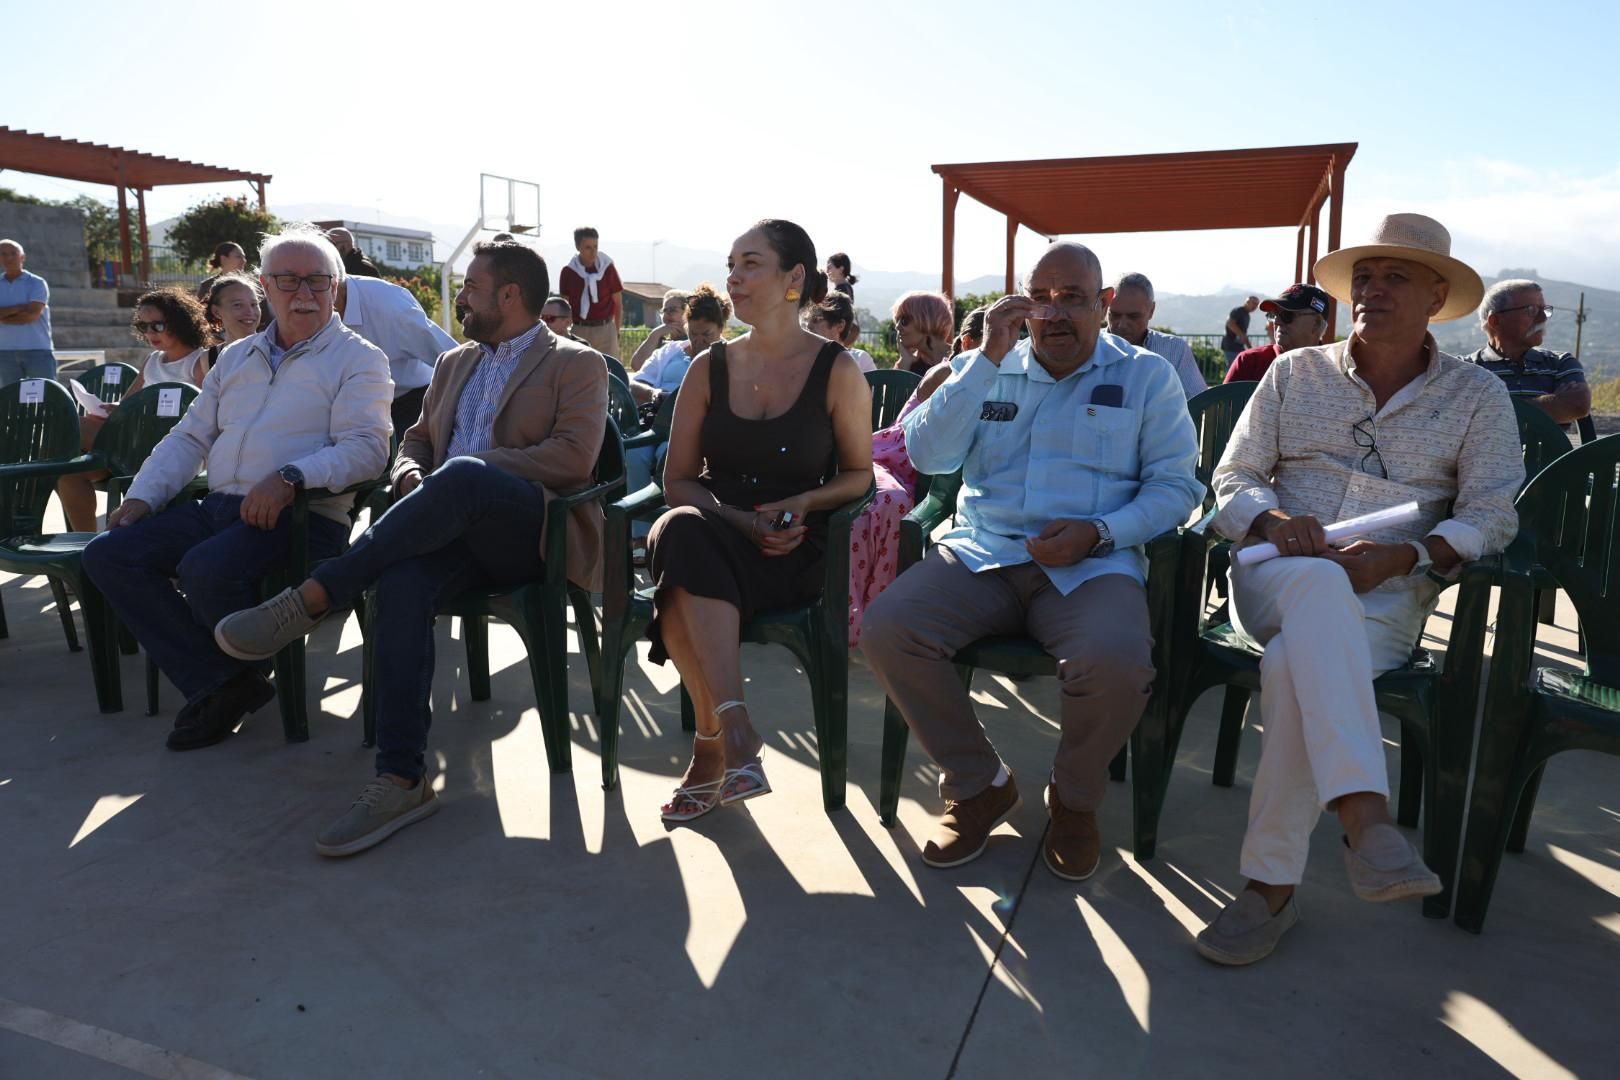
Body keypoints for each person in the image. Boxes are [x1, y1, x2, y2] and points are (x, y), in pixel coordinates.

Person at [1194, 213, 1522, 966]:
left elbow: (1492, 513)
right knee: (1311, 586)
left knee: (1288, 667)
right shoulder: (1292, 372)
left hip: (1387, 597)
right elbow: (1232, 477)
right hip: (1275, 577)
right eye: (1363, 278)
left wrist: (1405, 559)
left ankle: (1269, 889)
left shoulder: (1476, 397)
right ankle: (1365, 817)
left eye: (1394, 277)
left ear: (1438, 297)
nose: (1371, 291)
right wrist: (1275, 519)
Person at [212, 241, 606, 855]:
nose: (461, 299)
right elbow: (417, 441)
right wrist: (410, 474)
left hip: (529, 534)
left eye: (471, 288)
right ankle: (401, 778)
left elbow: (573, 458)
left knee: (468, 476)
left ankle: (319, 592)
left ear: (509, 295)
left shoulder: (576, 363)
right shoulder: (455, 363)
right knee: (401, 583)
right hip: (447, 528)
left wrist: (467, 471)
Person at [862, 242, 1203, 879]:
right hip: (985, 553)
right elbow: (929, 456)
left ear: (1103, 305)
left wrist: (1100, 531)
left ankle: (1074, 800)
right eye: (1040, 299)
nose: (1053, 315)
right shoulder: (990, 367)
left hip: (1090, 565)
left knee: (1118, 663)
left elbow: (1178, 488)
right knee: (888, 629)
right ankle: (978, 784)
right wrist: (985, 357)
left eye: (1072, 298)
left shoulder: (1145, 376)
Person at [80, 223, 393, 752]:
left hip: (304, 517)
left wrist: (294, 477)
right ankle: (225, 680)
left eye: (318, 281)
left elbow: (368, 449)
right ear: (265, 288)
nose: (304, 294)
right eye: (288, 281)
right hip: (221, 504)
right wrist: (143, 497)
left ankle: (224, 683)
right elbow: (190, 436)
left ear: (336, 290)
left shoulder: (359, 358)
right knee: (110, 554)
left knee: (206, 566)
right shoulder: (236, 357)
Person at [644, 219, 872, 823]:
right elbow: (679, 482)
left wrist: (802, 504)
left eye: (750, 264)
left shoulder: (838, 370)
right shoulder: (707, 368)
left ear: (795, 278)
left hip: (793, 547)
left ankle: (708, 750)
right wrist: (741, 521)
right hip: (720, 525)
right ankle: (735, 726)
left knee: (679, 582)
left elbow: (859, 475)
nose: (733, 277)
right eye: (731, 265)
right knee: (679, 530)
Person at [57, 288, 216, 531]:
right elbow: (128, 404)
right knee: (70, 474)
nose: (150, 333)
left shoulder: (199, 361)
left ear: (180, 322)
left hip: (171, 449)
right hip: (132, 447)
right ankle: (85, 547)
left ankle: (26, 472)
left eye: (157, 326)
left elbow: (208, 416)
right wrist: (111, 409)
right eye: (143, 326)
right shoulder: (152, 361)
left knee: (69, 426)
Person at [334, 273, 458, 438]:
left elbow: (453, 358)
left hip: (409, 400)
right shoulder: (296, 309)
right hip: (348, 407)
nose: (304, 296)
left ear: (334, 282)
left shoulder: (389, 305)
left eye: (315, 282)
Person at [1466, 278, 1590, 427]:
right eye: (1531, 310)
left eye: (1544, 310)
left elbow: (1577, 405)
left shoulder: (1560, 362)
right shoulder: (1466, 369)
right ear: (1495, 321)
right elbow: (1457, 416)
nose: (1543, 318)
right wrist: (1552, 402)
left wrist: (1491, 411)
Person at [1105, 272, 1207, 398]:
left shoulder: (1175, 350)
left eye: (1133, 317)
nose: (1122, 324)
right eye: (1114, 315)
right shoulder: (1089, 347)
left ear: (1151, 310)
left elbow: (1200, 402)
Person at [1224, 284, 1332, 383]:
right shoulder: (1249, 363)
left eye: (1287, 315)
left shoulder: (1336, 370)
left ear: (1316, 324)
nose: (1276, 321)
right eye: (1274, 315)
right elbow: (1223, 404)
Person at [558, 226, 623, 358]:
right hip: (579, 329)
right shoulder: (568, 272)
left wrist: (615, 331)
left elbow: (618, 303)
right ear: (578, 247)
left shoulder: (607, 268)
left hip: (606, 329)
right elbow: (564, 305)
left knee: (610, 373)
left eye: (595, 246)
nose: (593, 252)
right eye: (588, 247)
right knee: (579, 373)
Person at [0, 238, 56, 384]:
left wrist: (3, 317)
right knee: (10, 402)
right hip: (4, 353)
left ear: (22, 257)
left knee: (45, 399)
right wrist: (18, 308)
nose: (9, 257)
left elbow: (31, 315)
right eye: (3, 254)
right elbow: (27, 313)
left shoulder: (37, 283)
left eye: (13, 253)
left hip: (38, 351)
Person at [806, 292, 874, 372]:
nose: (808, 326)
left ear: (840, 325)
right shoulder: (805, 360)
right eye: (807, 320)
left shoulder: (860, 360)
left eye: (817, 319)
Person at [627, 288, 691, 371]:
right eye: (665, 310)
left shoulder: (693, 341)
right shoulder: (658, 342)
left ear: (687, 313)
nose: (667, 314)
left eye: (673, 310)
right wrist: (655, 334)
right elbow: (637, 366)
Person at [892, 290, 953, 375]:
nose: (897, 327)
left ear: (926, 320)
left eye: (904, 320)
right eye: (897, 320)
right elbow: (894, 388)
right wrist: (905, 361)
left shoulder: (961, 358)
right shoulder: (908, 363)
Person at [204, 272, 267, 348]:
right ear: (216, 312)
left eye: (253, 304)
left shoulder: (276, 351)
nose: (250, 312)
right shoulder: (209, 357)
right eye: (238, 305)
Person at [1222, 295, 1260, 368]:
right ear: (1247, 302)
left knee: (1240, 367)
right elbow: (1230, 323)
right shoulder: (1238, 311)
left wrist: (1250, 348)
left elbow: (1244, 334)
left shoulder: (1247, 315)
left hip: (1239, 346)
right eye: (1254, 303)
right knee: (1233, 368)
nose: (1255, 306)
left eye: (1257, 304)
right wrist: (1241, 335)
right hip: (1231, 345)